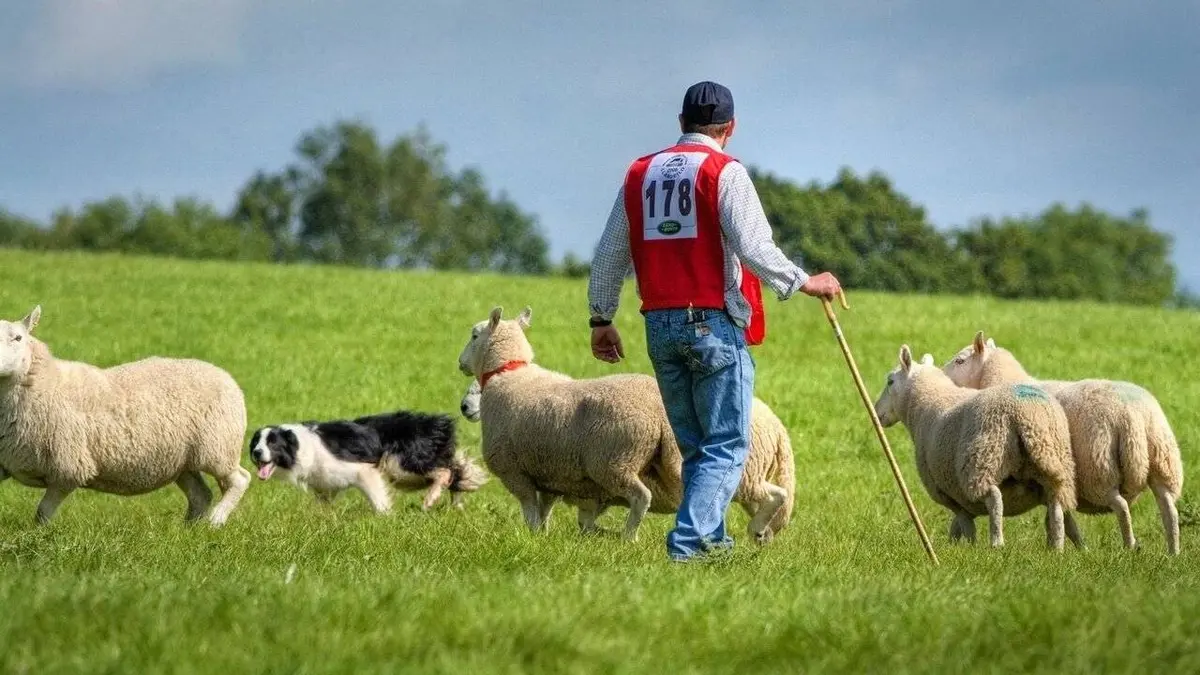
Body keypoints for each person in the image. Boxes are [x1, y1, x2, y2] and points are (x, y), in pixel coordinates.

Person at [586, 80, 842, 563]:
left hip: (658, 324)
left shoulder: (639, 174)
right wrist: (805, 281)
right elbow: (754, 246)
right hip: (711, 324)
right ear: (731, 127)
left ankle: (715, 545)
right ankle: (688, 545)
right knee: (727, 444)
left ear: (681, 122)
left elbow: (610, 253)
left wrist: (601, 316)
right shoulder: (725, 171)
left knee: (696, 446)